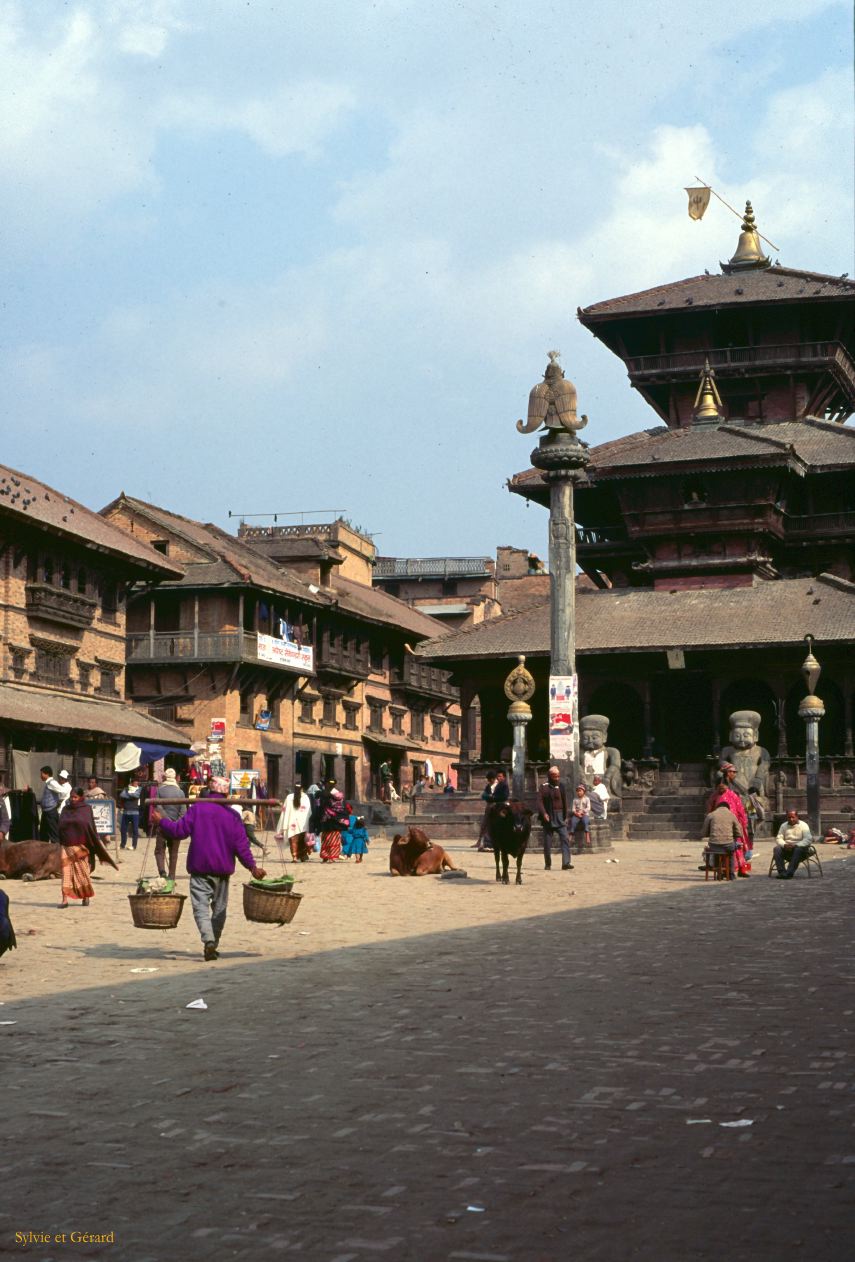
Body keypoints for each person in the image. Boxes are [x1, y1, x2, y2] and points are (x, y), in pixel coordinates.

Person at [150, 775, 266, 961]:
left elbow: (179, 831)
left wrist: (161, 821)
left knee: (200, 909)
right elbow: (241, 847)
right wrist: (252, 867)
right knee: (220, 910)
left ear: (209, 790)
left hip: (199, 868)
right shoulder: (233, 816)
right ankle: (213, 942)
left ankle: (209, 941)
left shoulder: (197, 810)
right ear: (226, 793)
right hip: (222, 870)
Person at [57, 788, 118, 908]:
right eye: (71, 797)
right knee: (66, 872)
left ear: (80, 797)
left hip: (82, 846)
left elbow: (89, 827)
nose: (73, 799)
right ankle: (64, 899)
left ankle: (86, 897)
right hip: (66, 846)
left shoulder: (86, 809)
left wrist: (93, 844)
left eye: (75, 797)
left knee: (82, 873)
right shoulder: (65, 809)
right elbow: (60, 824)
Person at [154, 768, 187, 884]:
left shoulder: (160, 790)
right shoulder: (181, 792)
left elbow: (158, 807)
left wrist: (165, 820)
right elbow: (183, 811)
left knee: (159, 850)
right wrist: (174, 823)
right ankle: (172, 876)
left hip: (162, 825)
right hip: (176, 826)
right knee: (174, 852)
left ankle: (162, 872)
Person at [538, 767, 573, 871]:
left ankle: (566, 863)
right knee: (547, 843)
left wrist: (565, 816)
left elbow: (564, 801)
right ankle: (548, 864)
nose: (557, 778)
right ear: (550, 776)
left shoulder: (561, 786)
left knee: (565, 839)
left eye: (558, 776)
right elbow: (539, 802)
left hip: (560, 817)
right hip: (548, 818)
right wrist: (544, 813)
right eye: (555, 776)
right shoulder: (543, 787)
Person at [701, 795, 742, 877]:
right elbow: (739, 832)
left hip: (714, 845)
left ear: (717, 807)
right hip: (728, 845)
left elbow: (704, 833)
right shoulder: (732, 815)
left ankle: (718, 873)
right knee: (731, 853)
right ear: (727, 808)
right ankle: (730, 874)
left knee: (716, 852)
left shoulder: (711, 815)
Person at [275, 784, 312, 861]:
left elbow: (284, 810)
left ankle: (294, 857)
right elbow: (309, 812)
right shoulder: (305, 797)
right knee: (301, 841)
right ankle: (302, 856)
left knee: (293, 841)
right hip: (302, 824)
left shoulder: (289, 797)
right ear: (302, 789)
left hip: (291, 822)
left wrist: (283, 823)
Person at [773, 809, 813, 879]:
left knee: (798, 850)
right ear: (787, 817)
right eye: (789, 817)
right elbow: (779, 838)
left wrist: (796, 845)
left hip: (800, 849)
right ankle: (782, 872)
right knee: (777, 849)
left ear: (797, 817)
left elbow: (808, 839)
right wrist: (784, 845)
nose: (791, 819)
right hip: (787, 848)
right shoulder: (783, 826)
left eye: (793, 817)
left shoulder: (804, 825)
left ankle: (789, 873)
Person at [318, 781, 347, 862]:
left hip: (325, 820)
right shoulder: (338, 794)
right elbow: (342, 808)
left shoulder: (323, 793)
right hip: (335, 821)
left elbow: (319, 806)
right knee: (334, 839)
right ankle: (331, 857)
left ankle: (325, 856)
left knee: (325, 839)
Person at [39, 766, 63, 843]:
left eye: (42, 774)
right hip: (46, 812)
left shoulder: (52, 782)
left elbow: (62, 791)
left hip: (51, 812)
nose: (41, 776)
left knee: (53, 834)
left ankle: (56, 851)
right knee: (43, 834)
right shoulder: (48, 783)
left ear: (47, 774)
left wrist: (58, 802)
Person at [119, 776, 142, 850]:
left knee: (135, 830)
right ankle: (122, 845)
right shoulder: (126, 789)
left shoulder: (139, 789)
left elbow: (137, 795)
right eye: (135, 782)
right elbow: (122, 795)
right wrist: (131, 796)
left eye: (137, 782)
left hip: (135, 812)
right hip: (126, 812)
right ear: (132, 783)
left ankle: (134, 845)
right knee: (123, 829)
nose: (136, 783)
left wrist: (128, 795)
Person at [475, 772, 496, 850]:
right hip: (489, 806)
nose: (489, 781)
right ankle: (479, 841)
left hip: (496, 806)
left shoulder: (498, 786)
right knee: (484, 824)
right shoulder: (488, 786)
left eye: (490, 780)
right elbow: (484, 795)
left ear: (493, 779)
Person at [570, 784, 592, 849]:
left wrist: (582, 812)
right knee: (573, 821)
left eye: (580, 791)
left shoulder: (587, 799)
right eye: (578, 791)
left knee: (585, 821)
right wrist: (576, 813)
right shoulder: (575, 800)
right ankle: (571, 834)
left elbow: (588, 808)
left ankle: (587, 834)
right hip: (577, 814)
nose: (579, 792)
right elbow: (573, 809)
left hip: (584, 814)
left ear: (584, 791)